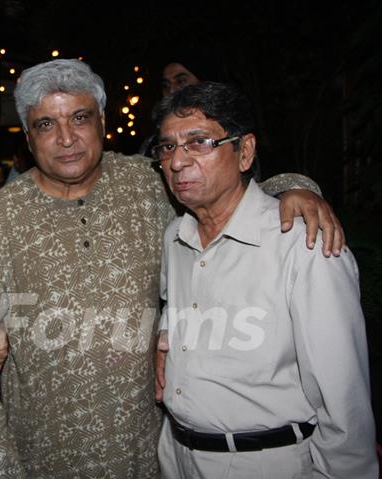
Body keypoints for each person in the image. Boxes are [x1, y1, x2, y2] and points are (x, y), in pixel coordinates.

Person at [0, 59, 345, 478]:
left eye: (79, 117)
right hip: (45, 456)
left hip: (150, 452)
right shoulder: (2, 217)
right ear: (29, 138)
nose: (66, 138)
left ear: (102, 122)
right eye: (46, 125)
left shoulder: (146, 183)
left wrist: (295, 187)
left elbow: (221, 192)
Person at [152, 81, 377, 478]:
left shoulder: (303, 243)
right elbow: (183, 311)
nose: (177, 161)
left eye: (199, 142)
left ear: (246, 151)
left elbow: (342, 397)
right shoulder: (175, 237)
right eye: (167, 146)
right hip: (177, 456)